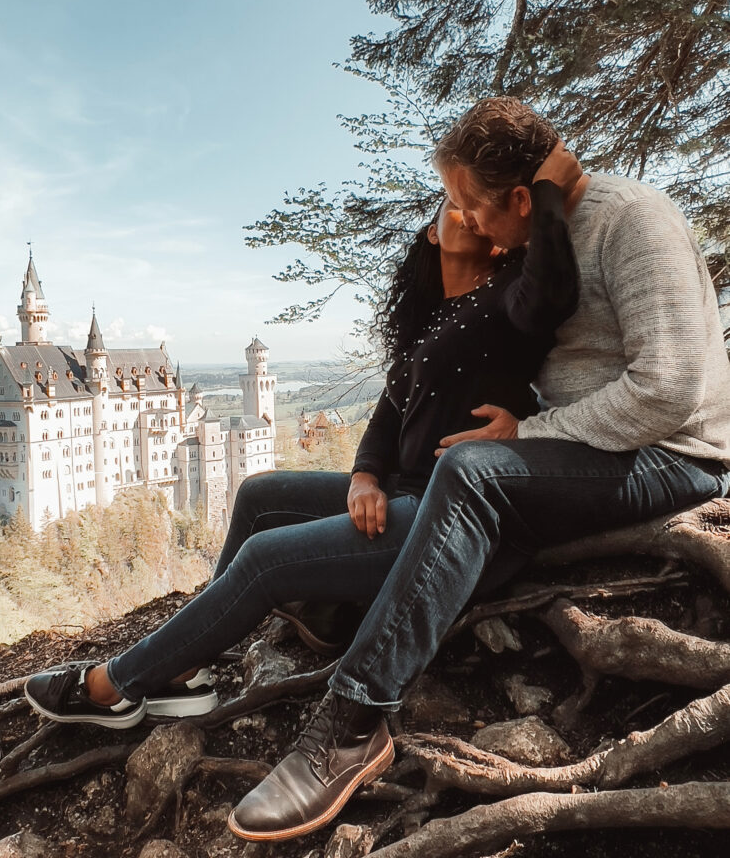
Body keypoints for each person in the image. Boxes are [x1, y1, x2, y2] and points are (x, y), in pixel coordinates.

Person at [228, 97, 730, 843]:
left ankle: (351, 724)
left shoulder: (634, 220)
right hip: (588, 448)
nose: (464, 222)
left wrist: (527, 432)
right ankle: (332, 613)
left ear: (520, 199)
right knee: (440, 475)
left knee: (473, 472)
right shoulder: (540, 236)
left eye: (470, 206)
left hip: (672, 455)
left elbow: (667, 389)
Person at [23, 134, 579, 737]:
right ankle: (187, 668)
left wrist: (546, 189)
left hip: (444, 517)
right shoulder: (432, 320)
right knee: (258, 495)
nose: (467, 211)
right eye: (453, 203)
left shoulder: (510, 299)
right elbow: (389, 415)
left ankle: (112, 689)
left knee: (266, 559)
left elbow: (553, 288)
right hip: (399, 492)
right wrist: (363, 477)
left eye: (475, 205)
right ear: (430, 233)